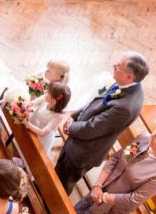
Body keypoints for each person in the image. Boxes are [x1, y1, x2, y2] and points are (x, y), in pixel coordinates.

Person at [54, 52, 149, 194]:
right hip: (79, 136)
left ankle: (51, 205)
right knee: (58, 169)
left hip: (84, 150)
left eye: (118, 67)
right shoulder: (128, 85)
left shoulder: (125, 107)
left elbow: (93, 128)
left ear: (129, 77)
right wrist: (75, 115)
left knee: (62, 181)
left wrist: (71, 127)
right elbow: (97, 103)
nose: (114, 66)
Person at [25, 81, 72, 155]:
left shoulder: (57, 117)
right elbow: (35, 102)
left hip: (42, 137)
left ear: (53, 101)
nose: (45, 93)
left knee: (32, 152)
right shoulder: (46, 98)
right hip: (36, 124)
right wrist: (28, 105)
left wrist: (28, 124)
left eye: (47, 93)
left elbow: (42, 132)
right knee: (26, 142)